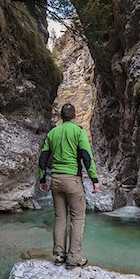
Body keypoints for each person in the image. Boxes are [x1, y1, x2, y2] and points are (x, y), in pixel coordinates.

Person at [38, 103, 99, 269]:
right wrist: (94, 179)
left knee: (60, 218)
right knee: (77, 219)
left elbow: (43, 158)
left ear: (61, 117)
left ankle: (59, 256)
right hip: (73, 180)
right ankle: (74, 258)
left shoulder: (52, 133)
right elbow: (87, 156)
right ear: (74, 116)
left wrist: (42, 179)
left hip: (55, 180)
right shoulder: (78, 132)